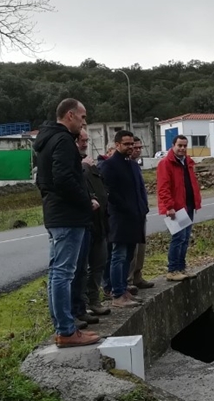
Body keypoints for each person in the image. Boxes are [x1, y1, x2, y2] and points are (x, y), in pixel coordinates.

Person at [34, 98, 101, 347]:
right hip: (68, 216)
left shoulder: (46, 140)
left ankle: (64, 327)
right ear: (70, 115)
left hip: (57, 213)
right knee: (64, 273)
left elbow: (44, 180)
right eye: (82, 117)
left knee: (57, 273)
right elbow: (64, 178)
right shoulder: (62, 140)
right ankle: (66, 330)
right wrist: (85, 201)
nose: (84, 122)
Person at [101, 129, 148, 308]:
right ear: (117, 145)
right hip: (120, 219)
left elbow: (139, 190)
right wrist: (127, 209)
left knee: (128, 256)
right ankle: (117, 293)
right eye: (126, 144)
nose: (130, 147)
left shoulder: (133, 165)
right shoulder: (109, 166)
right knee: (118, 256)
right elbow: (110, 194)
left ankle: (124, 290)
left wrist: (142, 208)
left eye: (132, 144)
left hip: (135, 217)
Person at [157, 134, 202, 280]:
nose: (182, 148)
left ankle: (181, 268)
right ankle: (172, 270)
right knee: (178, 238)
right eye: (179, 146)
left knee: (185, 238)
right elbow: (163, 188)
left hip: (188, 205)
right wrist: (169, 207)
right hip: (176, 208)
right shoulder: (166, 163)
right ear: (173, 146)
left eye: (184, 146)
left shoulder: (187, 162)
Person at [79, 129, 111, 318]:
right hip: (84, 224)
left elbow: (101, 188)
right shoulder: (77, 164)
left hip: (100, 224)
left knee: (99, 264)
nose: (84, 143)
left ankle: (94, 300)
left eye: (86, 140)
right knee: (81, 269)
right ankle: (82, 305)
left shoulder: (92, 164)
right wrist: (83, 166)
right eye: (81, 140)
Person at [127, 137, 154, 293]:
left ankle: (137, 276)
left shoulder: (136, 166)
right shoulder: (125, 166)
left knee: (141, 247)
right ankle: (129, 279)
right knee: (131, 249)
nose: (136, 149)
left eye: (138, 147)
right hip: (130, 213)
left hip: (140, 212)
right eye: (133, 146)